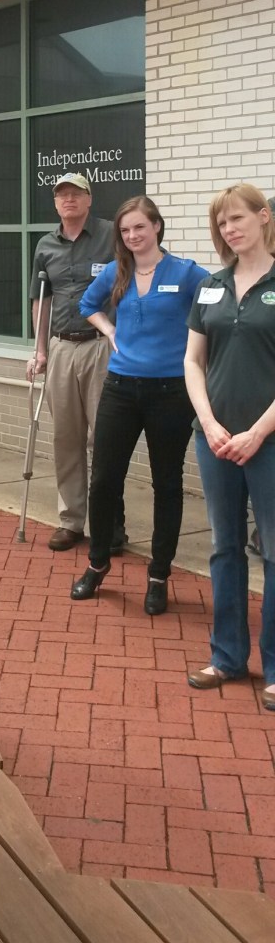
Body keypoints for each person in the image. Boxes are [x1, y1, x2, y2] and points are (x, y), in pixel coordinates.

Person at [70, 197, 207, 613]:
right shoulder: (116, 271)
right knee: (104, 479)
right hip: (121, 388)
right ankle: (97, 564)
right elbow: (86, 305)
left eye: (139, 228)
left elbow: (216, 308)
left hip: (171, 393)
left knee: (166, 484)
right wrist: (110, 331)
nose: (132, 236)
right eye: (125, 231)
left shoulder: (186, 273)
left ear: (157, 228)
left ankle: (158, 575)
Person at [184, 184, 275, 711]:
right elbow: (193, 361)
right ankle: (228, 657)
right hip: (214, 440)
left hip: (268, 441)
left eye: (238, 219)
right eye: (222, 223)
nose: (230, 229)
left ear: (264, 217)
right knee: (224, 548)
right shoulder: (212, 286)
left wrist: (257, 432)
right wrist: (210, 422)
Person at [28, 173, 125, 551]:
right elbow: (41, 300)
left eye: (76, 193)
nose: (68, 199)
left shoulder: (110, 235)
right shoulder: (45, 245)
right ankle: (71, 520)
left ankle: (111, 523)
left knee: (105, 439)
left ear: (89, 199)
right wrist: (39, 349)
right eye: (62, 194)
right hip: (61, 349)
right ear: (55, 203)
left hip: (102, 347)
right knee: (66, 438)